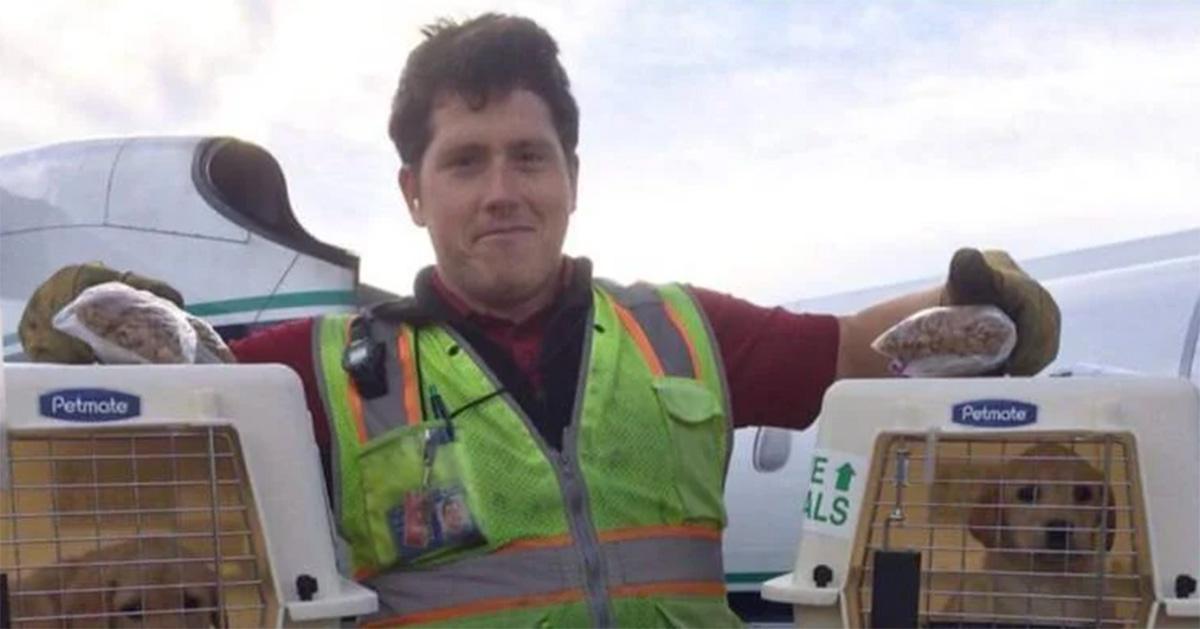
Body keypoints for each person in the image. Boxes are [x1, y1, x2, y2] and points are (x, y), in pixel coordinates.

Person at [20, 13, 1060, 628]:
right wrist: (84, 314)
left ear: (572, 178)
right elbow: (175, 385)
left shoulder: (687, 329)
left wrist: (975, 302)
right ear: (414, 194)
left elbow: (851, 354)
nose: (501, 189)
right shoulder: (318, 365)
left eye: (530, 156)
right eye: (465, 161)